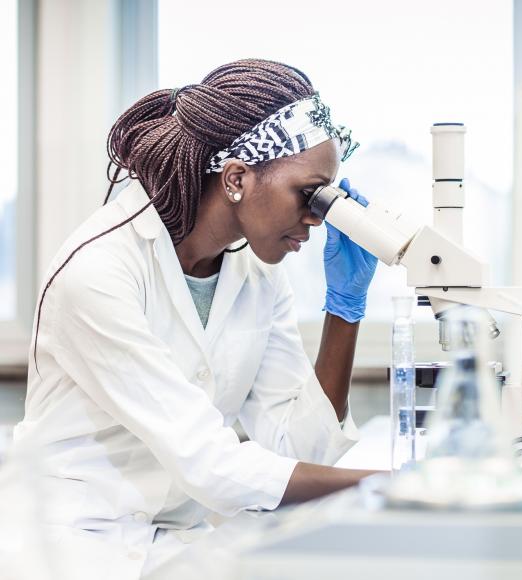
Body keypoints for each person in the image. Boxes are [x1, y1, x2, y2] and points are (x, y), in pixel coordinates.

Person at [15, 59, 379, 579]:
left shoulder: (256, 271)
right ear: (236, 179)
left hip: (178, 542)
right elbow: (212, 466)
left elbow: (293, 450)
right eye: (308, 194)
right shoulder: (99, 271)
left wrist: (344, 313)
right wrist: (393, 484)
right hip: (71, 545)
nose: (318, 218)